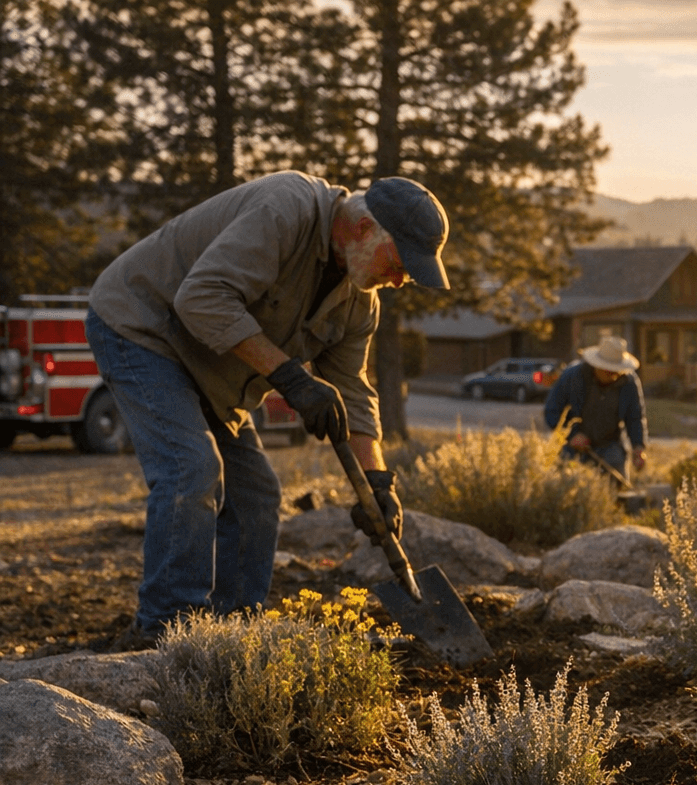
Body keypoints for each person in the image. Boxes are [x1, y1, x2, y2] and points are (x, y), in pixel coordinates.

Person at [86, 171, 450, 651]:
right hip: (143, 328)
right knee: (192, 469)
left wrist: (376, 484)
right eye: (401, 263)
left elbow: (353, 390)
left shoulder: (360, 299)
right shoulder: (286, 209)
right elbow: (200, 299)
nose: (402, 280)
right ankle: (164, 633)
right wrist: (292, 378)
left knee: (257, 494)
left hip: (210, 363)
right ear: (364, 230)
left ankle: (231, 637)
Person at [543, 334, 648, 479]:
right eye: (608, 370)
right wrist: (571, 435)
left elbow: (635, 417)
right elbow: (552, 411)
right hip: (572, 446)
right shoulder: (572, 376)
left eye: (616, 371)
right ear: (596, 365)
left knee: (618, 485)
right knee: (565, 480)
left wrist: (638, 448)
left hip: (610, 445)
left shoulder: (629, 382)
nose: (613, 375)